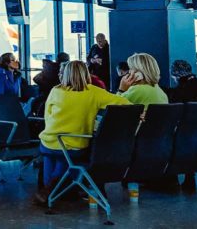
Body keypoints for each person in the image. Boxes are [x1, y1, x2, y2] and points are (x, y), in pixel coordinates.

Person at [34, 61, 130, 205]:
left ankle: (49, 192)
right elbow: (123, 103)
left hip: (48, 140)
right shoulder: (94, 92)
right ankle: (51, 190)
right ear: (86, 74)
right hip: (75, 142)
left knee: (52, 155)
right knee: (66, 155)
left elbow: (48, 117)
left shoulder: (56, 90)